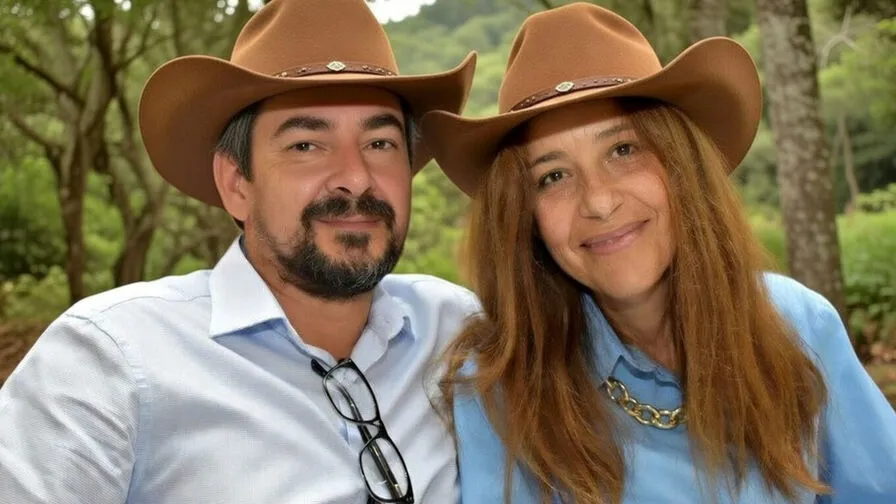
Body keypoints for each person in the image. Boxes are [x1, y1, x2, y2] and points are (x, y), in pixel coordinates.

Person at [0, 0, 480, 502]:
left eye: (380, 143)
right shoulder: (111, 360)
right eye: (305, 146)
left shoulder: (457, 333)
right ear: (236, 184)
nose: (356, 178)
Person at [421, 3, 896, 503]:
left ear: (681, 164)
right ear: (525, 217)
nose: (599, 201)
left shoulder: (798, 324)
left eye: (623, 150)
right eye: (553, 176)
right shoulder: (500, 391)